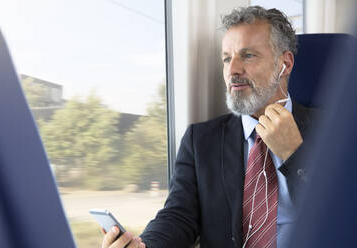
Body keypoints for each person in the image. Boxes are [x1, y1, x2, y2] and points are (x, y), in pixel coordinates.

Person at [101, 6, 316, 248]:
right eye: (227, 58)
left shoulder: (338, 128)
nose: (232, 70)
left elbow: (344, 211)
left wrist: (295, 155)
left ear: (284, 64)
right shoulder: (201, 140)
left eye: (248, 55)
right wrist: (145, 245)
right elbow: (178, 216)